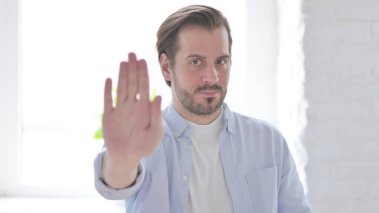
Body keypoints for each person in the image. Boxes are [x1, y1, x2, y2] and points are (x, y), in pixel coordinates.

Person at [94, 4, 312, 213]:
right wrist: (123, 160)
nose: (213, 76)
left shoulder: (268, 141)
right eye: (196, 62)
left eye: (221, 61)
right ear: (166, 67)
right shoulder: (144, 137)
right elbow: (116, 182)